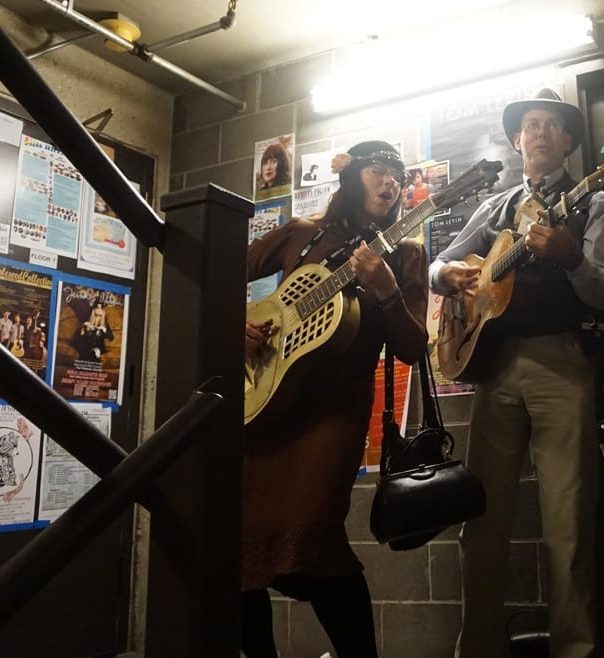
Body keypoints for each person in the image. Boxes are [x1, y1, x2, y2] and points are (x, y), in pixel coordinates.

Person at [430, 89, 604, 658]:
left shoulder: (595, 200)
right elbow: (442, 260)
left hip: (561, 362)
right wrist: (450, 279)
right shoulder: (495, 208)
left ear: (566, 141)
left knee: (568, 520)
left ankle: (575, 648)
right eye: (530, 125)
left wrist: (570, 256)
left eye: (551, 125)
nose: (539, 132)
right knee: (480, 520)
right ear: (517, 140)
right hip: (496, 365)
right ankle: (479, 648)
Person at [241, 140, 428, 658]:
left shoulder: (407, 253)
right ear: (352, 177)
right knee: (238, 554)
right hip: (264, 404)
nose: (390, 183)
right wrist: (237, 323)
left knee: (314, 539)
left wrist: (388, 291)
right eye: (379, 170)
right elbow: (216, 274)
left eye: (398, 175)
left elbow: (413, 349)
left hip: (335, 413)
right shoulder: (303, 234)